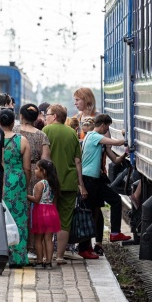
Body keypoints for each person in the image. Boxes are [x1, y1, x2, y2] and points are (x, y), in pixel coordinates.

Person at [78, 114, 131, 259]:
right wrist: (128, 137)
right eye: (107, 127)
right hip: (89, 179)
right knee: (89, 212)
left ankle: (114, 233)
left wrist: (125, 155)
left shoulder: (98, 140)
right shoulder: (93, 136)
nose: (107, 130)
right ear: (102, 125)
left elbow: (115, 160)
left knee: (114, 200)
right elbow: (118, 142)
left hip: (96, 180)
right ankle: (83, 247)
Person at [42, 104, 87, 264]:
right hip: (69, 182)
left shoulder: (46, 131)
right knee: (64, 221)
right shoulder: (72, 133)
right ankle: (60, 256)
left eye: (47, 114)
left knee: (48, 218)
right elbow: (77, 161)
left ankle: (47, 255)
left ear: (54, 116)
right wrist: (81, 184)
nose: (45, 116)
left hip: (50, 183)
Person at [13, 103, 51, 259]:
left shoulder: (14, 132)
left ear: (21, 116)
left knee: (18, 208)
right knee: (34, 210)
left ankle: (17, 244)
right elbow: (46, 160)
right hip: (36, 174)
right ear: (36, 118)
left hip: (16, 172)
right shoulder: (42, 136)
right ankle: (33, 248)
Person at [0, 108, 31, 268]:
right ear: (13, 122)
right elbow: (27, 168)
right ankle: (18, 258)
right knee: (18, 218)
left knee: (0, 218)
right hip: (17, 180)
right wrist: (25, 182)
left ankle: (0, 255)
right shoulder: (22, 140)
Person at [27, 159, 61, 269]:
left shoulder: (39, 185)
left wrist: (25, 196)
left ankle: (39, 261)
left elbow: (36, 200)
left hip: (40, 212)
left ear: (44, 171)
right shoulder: (53, 184)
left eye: (37, 168)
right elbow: (55, 202)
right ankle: (49, 262)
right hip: (51, 212)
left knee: (38, 239)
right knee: (48, 239)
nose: (35, 170)